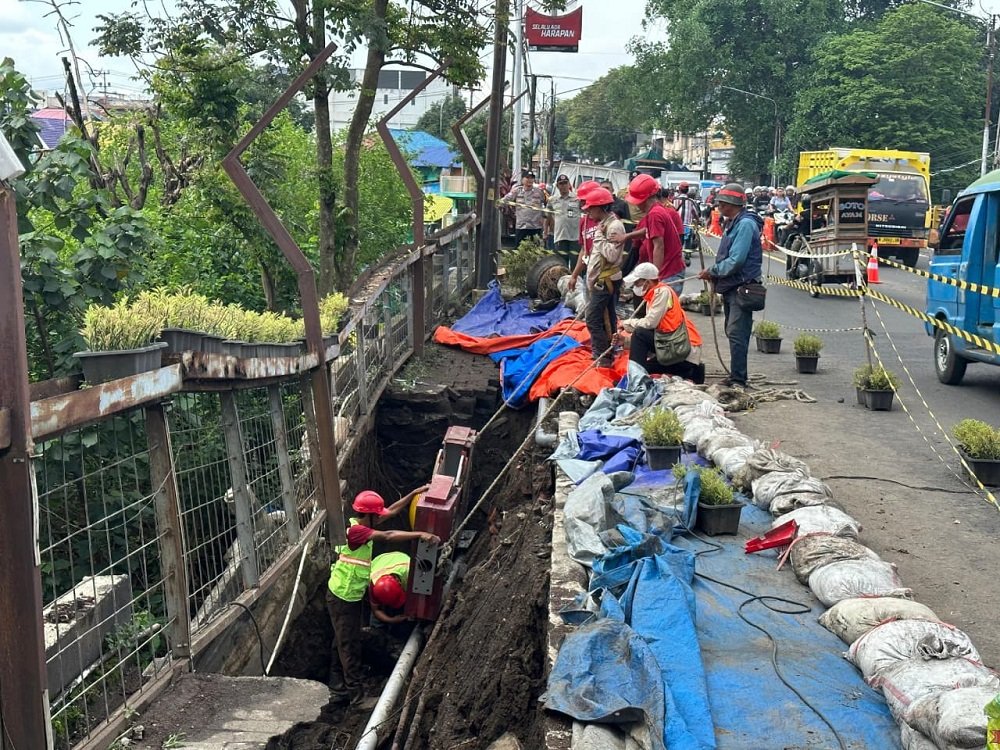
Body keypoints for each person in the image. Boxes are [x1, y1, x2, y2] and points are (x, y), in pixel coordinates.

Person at [327, 488, 438, 707]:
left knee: (341, 641)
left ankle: (337, 687)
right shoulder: (357, 532)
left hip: (348, 595)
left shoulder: (364, 521)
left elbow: (393, 511)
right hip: (343, 596)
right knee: (349, 644)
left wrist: (414, 492)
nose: (381, 517)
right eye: (377, 514)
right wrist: (420, 535)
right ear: (368, 515)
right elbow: (388, 535)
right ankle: (356, 697)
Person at [697, 183, 764, 389]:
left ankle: (738, 379)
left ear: (728, 204)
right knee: (733, 331)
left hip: (741, 287)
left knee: (737, 333)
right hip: (732, 286)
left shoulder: (744, 225)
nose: (718, 206)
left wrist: (713, 271)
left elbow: (736, 260)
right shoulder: (734, 223)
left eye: (721, 203)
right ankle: (736, 375)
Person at [618, 262, 706, 383]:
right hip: (675, 345)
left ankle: (634, 380)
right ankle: (691, 371)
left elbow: (650, 324)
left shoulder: (662, 293)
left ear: (647, 282)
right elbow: (656, 335)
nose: (635, 286)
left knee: (639, 334)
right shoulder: (654, 296)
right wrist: (626, 341)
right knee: (647, 367)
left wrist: (626, 323)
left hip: (682, 349)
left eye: (637, 283)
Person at [581, 187, 626, 367]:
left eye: (591, 208)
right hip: (601, 280)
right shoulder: (606, 224)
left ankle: (602, 355)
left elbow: (612, 255)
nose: (589, 212)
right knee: (607, 319)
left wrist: (598, 236)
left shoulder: (613, 227)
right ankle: (608, 351)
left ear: (600, 207)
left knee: (592, 318)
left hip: (605, 281)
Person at [624, 173, 686, 296]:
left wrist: (654, 278)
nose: (636, 205)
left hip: (668, 273)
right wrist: (626, 236)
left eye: (637, 201)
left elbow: (659, 246)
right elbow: (647, 230)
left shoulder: (654, 214)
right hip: (670, 271)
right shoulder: (656, 210)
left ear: (645, 199)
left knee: (665, 314)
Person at [600, 179, 637, 276]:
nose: (605, 190)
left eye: (607, 188)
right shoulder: (598, 205)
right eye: (603, 188)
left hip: (617, 243)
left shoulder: (621, 204)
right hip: (603, 241)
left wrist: (626, 247)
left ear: (612, 190)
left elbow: (627, 225)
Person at [502, 170, 547, 245]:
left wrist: (544, 218)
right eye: (527, 178)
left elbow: (546, 204)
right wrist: (497, 203)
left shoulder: (540, 192)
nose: (530, 180)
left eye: (532, 178)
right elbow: (506, 199)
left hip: (535, 227)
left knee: (534, 252)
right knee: (519, 251)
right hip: (522, 226)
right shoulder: (517, 191)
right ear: (522, 179)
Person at [369, 551, 411, 624]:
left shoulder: (410, 574)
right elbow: (376, 610)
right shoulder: (373, 583)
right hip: (379, 561)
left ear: (399, 582)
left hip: (400, 558)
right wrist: (391, 620)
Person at [548, 174, 580, 266]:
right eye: (561, 184)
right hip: (560, 236)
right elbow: (547, 215)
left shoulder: (577, 199)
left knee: (575, 263)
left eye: (565, 183)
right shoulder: (552, 200)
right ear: (557, 186)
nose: (564, 186)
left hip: (575, 236)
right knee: (561, 264)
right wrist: (546, 231)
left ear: (569, 184)